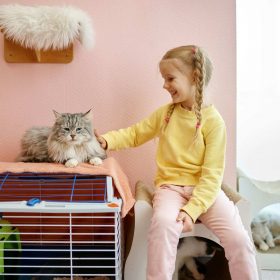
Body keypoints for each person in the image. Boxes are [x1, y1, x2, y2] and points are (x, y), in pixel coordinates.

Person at [96, 45, 259, 280]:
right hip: (170, 188)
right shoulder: (166, 114)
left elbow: (212, 176)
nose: (164, 85)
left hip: (205, 192)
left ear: (194, 77)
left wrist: (191, 211)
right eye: (164, 79)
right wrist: (106, 140)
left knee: (239, 239)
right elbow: (135, 133)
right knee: (162, 225)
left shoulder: (214, 122)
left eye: (170, 78)